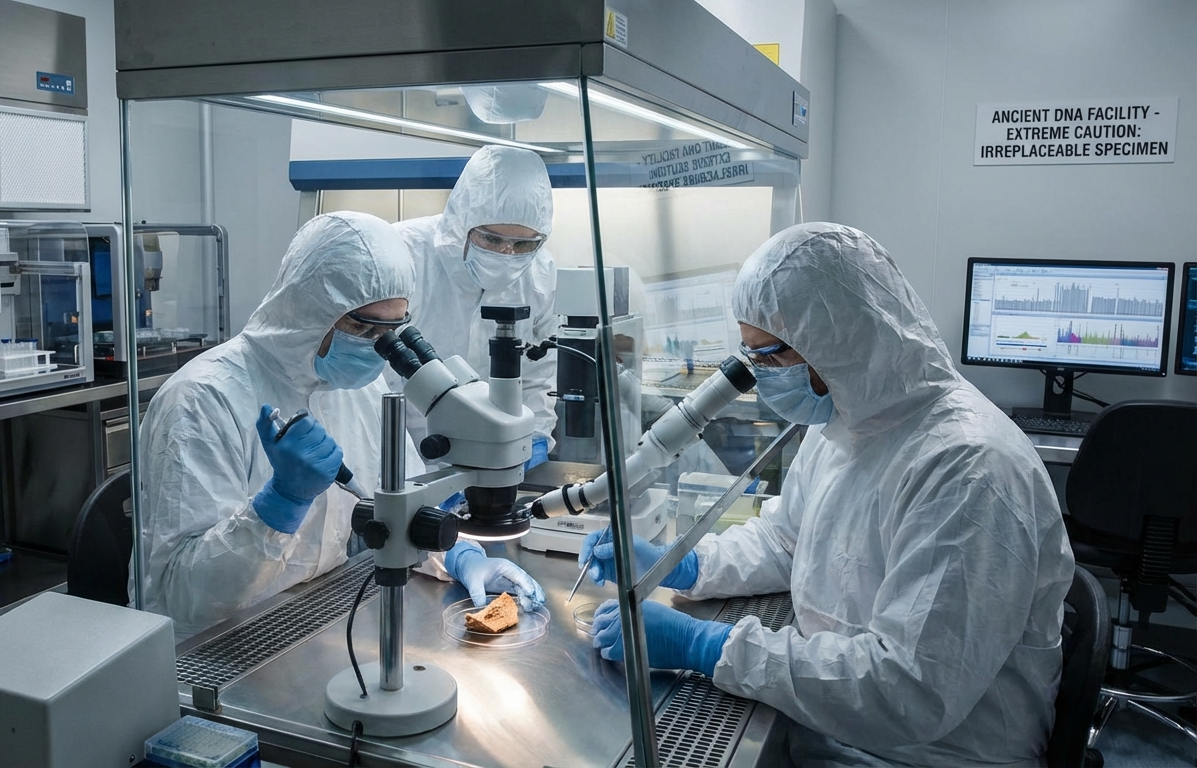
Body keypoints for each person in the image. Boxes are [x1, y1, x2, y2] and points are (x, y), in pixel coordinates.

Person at [581, 223, 1075, 766]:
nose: (758, 377)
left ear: (837, 344)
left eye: (768, 358)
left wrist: (710, 647)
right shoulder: (847, 424)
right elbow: (786, 539)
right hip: (840, 728)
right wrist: (684, 564)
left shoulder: (968, 469)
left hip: (928, 754)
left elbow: (907, 689)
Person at [134, 212, 542, 640]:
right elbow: (182, 596)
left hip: (309, 624)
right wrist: (278, 507)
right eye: (359, 325)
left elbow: (402, 507)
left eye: (391, 329)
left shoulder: (357, 389)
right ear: (308, 308)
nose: (373, 346)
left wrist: (460, 554)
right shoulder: (203, 399)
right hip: (211, 649)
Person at [392, 145, 558, 468]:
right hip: (407, 460)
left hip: (494, 466)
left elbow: (539, 374)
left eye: (523, 244)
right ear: (461, 220)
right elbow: (376, 391)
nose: (507, 255)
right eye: (492, 240)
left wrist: (532, 439)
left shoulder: (539, 273)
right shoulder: (404, 257)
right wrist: (409, 474)